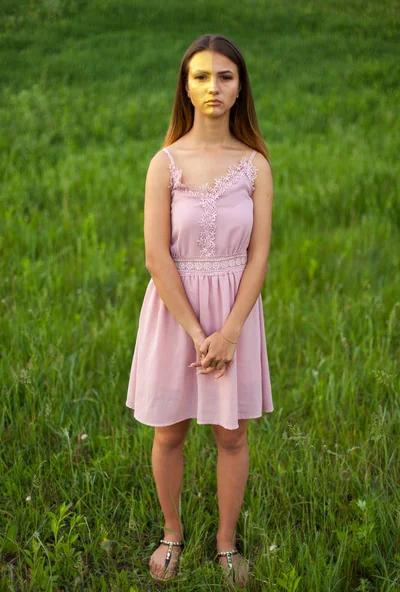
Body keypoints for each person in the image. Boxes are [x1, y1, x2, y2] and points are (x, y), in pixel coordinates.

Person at [126, 33, 274, 588]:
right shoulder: (165, 163)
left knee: (231, 435)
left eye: (226, 77)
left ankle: (226, 542)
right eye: (202, 77)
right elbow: (155, 254)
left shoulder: (255, 165)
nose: (214, 87)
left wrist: (230, 331)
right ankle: (172, 531)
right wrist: (195, 331)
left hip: (235, 312)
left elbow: (259, 253)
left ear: (240, 89)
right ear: (186, 88)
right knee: (169, 433)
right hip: (175, 314)